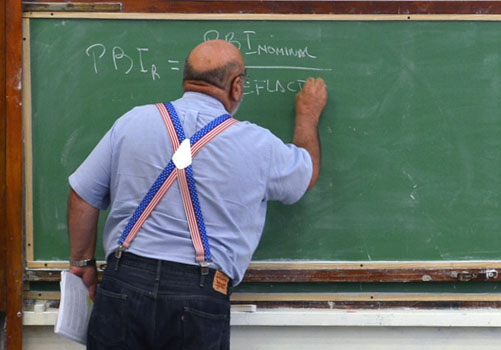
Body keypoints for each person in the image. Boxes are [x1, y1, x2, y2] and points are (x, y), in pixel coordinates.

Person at [66, 40, 327, 349]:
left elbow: (83, 194)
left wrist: (82, 262)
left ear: (186, 78)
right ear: (236, 86)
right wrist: (307, 116)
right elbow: (305, 174)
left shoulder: (133, 122)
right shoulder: (259, 145)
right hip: (198, 296)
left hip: (124, 282)